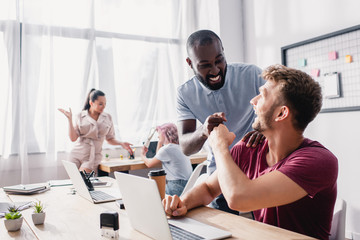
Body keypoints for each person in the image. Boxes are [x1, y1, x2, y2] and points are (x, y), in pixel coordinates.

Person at [164, 65, 338, 240]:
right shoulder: (249, 148)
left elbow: (238, 198)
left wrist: (219, 145)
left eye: (262, 95)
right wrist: (181, 204)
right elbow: (209, 188)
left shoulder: (318, 162)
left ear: (281, 113)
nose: (253, 101)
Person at [176, 29, 266, 213]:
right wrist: (203, 130)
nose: (215, 70)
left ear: (224, 52)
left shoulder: (252, 74)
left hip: (260, 166)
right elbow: (186, 147)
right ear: (190, 63)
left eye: (219, 60)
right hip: (220, 173)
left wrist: (264, 128)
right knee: (224, 227)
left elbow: (282, 104)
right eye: (205, 65)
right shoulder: (185, 93)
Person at [58, 89, 133, 173]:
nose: (103, 106)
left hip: (92, 157)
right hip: (76, 154)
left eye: (105, 103)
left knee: (84, 180)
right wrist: (69, 120)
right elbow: (73, 138)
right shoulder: (80, 116)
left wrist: (121, 143)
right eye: (100, 104)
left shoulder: (108, 117)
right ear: (91, 103)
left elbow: (109, 138)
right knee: (75, 182)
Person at [141, 123, 192, 196]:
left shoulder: (167, 149)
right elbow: (159, 155)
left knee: (152, 194)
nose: (158, 136)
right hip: (188, 186)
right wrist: (160, 142)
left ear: (164, 134)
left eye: (159, 134)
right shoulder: (179, 147)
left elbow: (149, 164)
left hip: (176, 186)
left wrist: (142, 155)